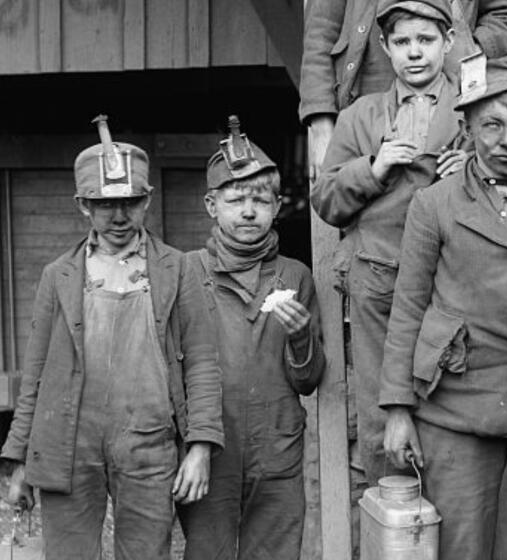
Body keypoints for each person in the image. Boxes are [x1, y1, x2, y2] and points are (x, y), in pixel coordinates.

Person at [379, 55, 507, 560]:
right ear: (467, 127)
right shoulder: (435, 204)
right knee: (459, 549)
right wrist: (399, 410)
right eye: (491, 124)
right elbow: (407, 307)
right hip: (455, 407)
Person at [1, 116, 224, 560]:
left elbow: (201, 361)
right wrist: (21, 459)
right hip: (69, 441)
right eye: (104, 204)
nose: (119, 215)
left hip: (148, 441)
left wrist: (199, 445)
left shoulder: (178, 269)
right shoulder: (58, 276)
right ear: (82, 205)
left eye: (130, 201)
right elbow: (37, 374)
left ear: (147, 200)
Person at [312, 0, 472, 486]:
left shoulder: (473, 109)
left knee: (452, 400)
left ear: (447, 42)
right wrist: (374, 167)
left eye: (426, 41)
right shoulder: (361, 116)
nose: (415, 53)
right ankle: (392, 524)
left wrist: (474, 172)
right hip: (379, 280)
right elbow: (327, 201)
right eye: (402, 43)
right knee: (384, 413)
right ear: (385, 47)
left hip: (452, 284)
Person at [177, 116, 325, 560]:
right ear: (210, 205)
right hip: (211, 447)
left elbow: (309, 381)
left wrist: (301, 339)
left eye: (260, 200)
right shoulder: (187, 272)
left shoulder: (295, 276)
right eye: (235, 198)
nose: (247, 211)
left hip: (276, 449)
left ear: (277, 206)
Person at [299, 0, 507, 180]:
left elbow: (505, 18)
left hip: (451, 107)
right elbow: (320, 36)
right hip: (367, 107)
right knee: (374, 213)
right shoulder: (357, 119)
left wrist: (470, 50)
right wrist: (321, 128)